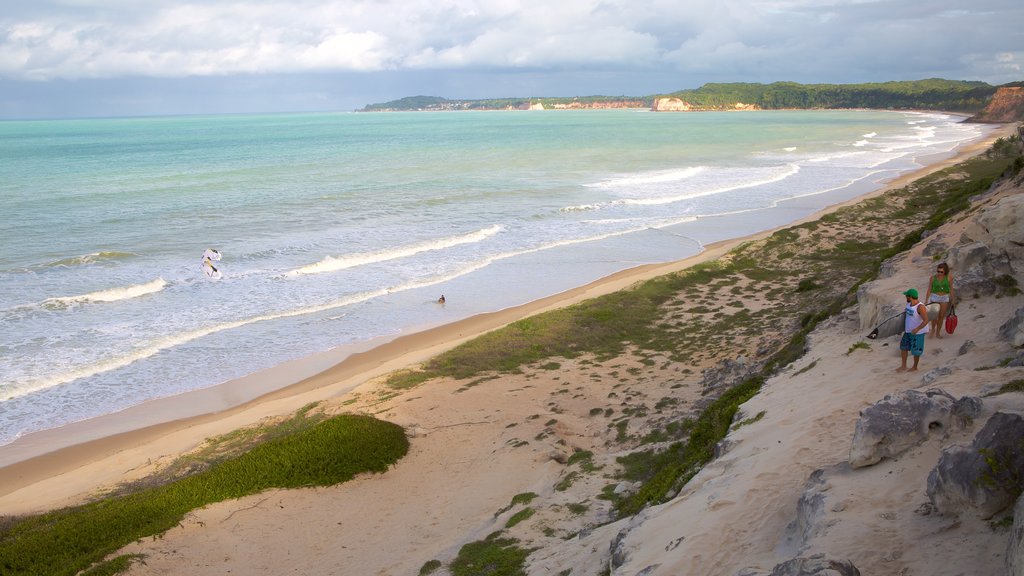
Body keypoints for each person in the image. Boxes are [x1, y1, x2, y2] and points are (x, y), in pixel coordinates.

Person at [898, 288, 929, 372]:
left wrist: (917, 329)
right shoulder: (908, 305)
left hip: (918, 332)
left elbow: (926, 320)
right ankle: (903, 366)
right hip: (908, 331)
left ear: (910, 297)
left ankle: (915, 367)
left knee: (916, 350)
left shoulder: (920, 307)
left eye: (906, 296)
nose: (905, 297)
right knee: (903, 347)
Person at [924, 262, 954, 338]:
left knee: (941, 316)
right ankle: (933, 330)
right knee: (934, 316)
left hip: (944, 297)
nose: (939, 273)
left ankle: (938, 332)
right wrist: (926, 300)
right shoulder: (932, 278)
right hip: (935, 297)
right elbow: (929, 289)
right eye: (938, 271)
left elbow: (951, 289)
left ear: (945, 271)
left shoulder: (949, 278)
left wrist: (953, 298)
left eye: (941, 272)